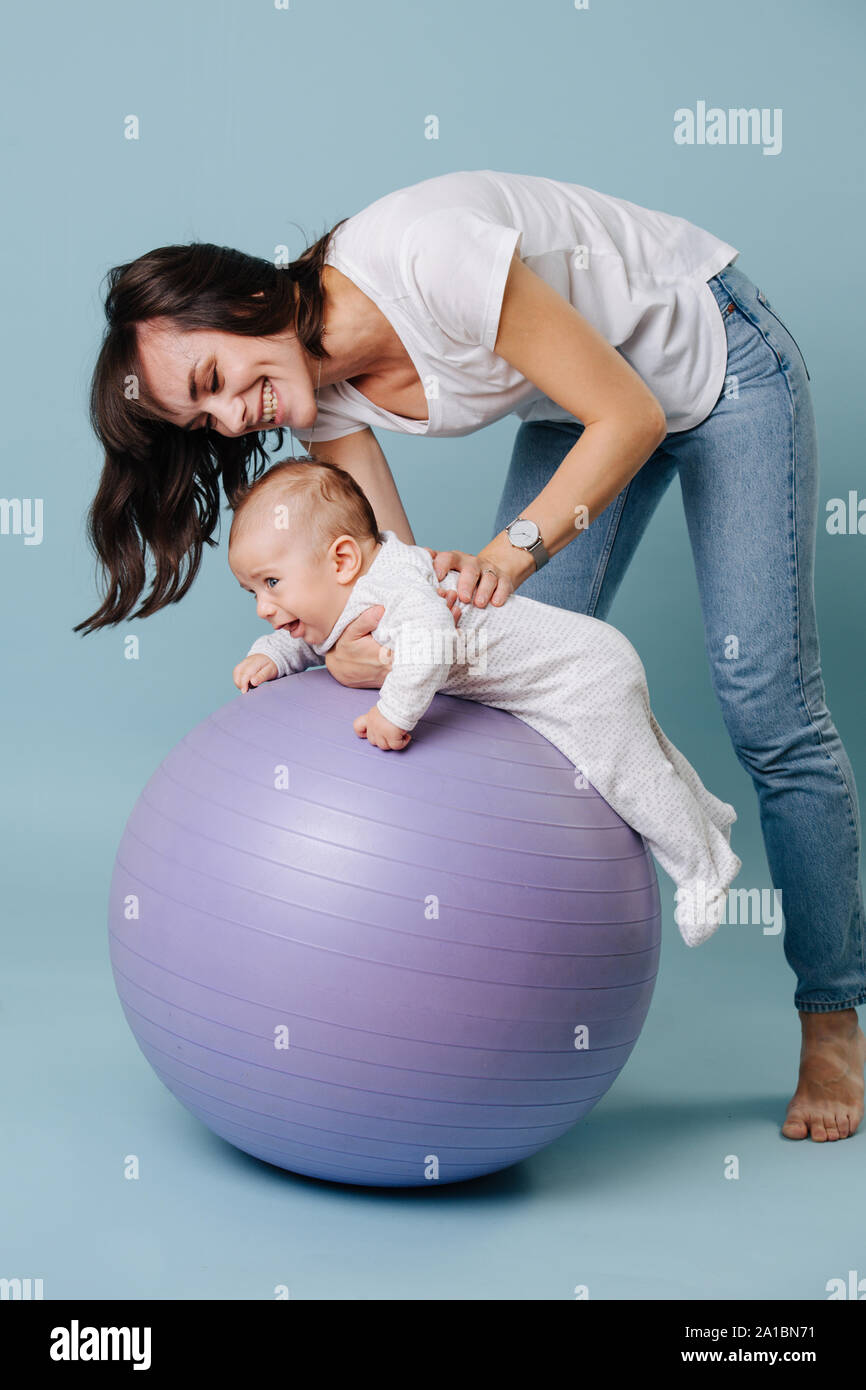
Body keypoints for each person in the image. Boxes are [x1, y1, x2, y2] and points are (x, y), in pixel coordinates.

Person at [77, 168, 866, 1141]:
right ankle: (525, 983)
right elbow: (395, 579)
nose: (234, 419)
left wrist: (506, 557)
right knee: (504, 676)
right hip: (583, 413)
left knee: (765, 703)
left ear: (244, 297)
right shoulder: (315, 400)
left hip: (714, 365)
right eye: (204, 420)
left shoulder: (429, 252)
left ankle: (832, 1017)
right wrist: (356, 649)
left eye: (211, 381)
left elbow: (631, 417)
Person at [229, 457, 742, 944]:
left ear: (342, 560)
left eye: (271, 583)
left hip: (578, 672)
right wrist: (273, 654)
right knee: (648, 752)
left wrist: (394, 713)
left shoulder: (393, 584)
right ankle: (708, 818)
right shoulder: (347, 588)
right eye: (253, 592)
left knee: (629, 776)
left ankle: (703, 873)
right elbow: (317, 636)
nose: (263, 607)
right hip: (574, 666)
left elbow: (433, 639)